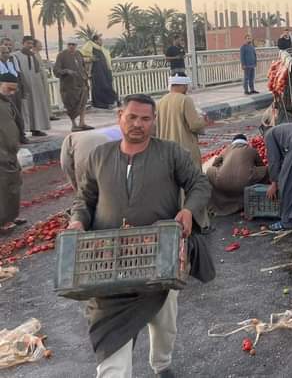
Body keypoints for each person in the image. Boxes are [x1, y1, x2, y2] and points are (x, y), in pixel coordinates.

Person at [67, 94, 211, 377]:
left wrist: (188, 210)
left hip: (160, 255)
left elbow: (199, 184)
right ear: (119, 117)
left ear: (154, 121)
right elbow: (85, 199)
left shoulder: (170, 153)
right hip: (108, 260)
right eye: (132, 117)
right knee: (110, 330)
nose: (138, 124)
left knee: (164, 321)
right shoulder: (100, 156)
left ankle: (162, 363)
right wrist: (77, 222)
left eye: (145, 119)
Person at [157, 73, 211, 232]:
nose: (187, 88)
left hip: (166, 150)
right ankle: (199, 221)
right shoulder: (185, 100)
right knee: (194, 183)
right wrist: (203, 121)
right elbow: (194, 125)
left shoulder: (161, 101)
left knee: (173, 185)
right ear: (182, 85)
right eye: (186, 86)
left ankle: (175, 218)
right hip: (185, 148)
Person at [206, 134, 268, 216]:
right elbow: (261, 165)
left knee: (209, 170)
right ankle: (257, 197)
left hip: (223, 183)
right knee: (267, 170)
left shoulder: (226, 150)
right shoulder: (252, 150)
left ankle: (217, 202)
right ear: (246, 142)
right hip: (245, 184)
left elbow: (215, 164)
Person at [0, 72, 26, 231]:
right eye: (9, 89)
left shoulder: (6, 102)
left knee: (14, 183)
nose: (11, 93)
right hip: (2, 152)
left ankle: (11, 216)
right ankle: (3, 221)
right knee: (4, 186)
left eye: (14, 90)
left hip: (10, 151)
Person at [61, 126, 122, 191]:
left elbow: (66, 165)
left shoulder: (117, 127)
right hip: (102, 145)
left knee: (84, 190)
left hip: (74, 138)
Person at [12, 36, 51, 137]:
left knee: (36, 106)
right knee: (24, 108)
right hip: (24, 85)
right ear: (23, 43)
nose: (30, 45)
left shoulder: (34, 55)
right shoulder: (16, 56)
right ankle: (24, 130)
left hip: (36, 85)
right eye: (28, 43)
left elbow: (38, 70)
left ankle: (36, 128)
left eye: (31, 44)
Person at [54, 41, 92, 131]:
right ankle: (74, 125)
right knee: (71, 105)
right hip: (69, 85)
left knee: (83, 103)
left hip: (81, 83)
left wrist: (86, 77)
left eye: (73, 44)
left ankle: (82, 123)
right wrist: (66, 71)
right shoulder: (61, 55)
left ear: (76, 45)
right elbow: (56, 70)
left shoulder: (78, 54)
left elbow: (83, 67)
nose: (71, 46)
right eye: (69, 44)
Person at [81, 34, 119, 109]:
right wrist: (91, 59)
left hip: (105, 70)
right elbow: (82, 58)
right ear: (95, 41)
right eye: (100, 40)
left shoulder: (101, 49)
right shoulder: (89, 47)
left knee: (107, 85)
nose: (102, 41)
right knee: (99, 87)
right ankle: (100, 104)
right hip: (96, 71)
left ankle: (109, 102)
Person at [0, 45, 26, 143]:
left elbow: (18, 76)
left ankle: (21, 135)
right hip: (3, 93)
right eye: (3, 53)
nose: (6, 55)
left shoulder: (11, 63)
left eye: (7, 52)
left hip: (14, 92)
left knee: (18, 114)